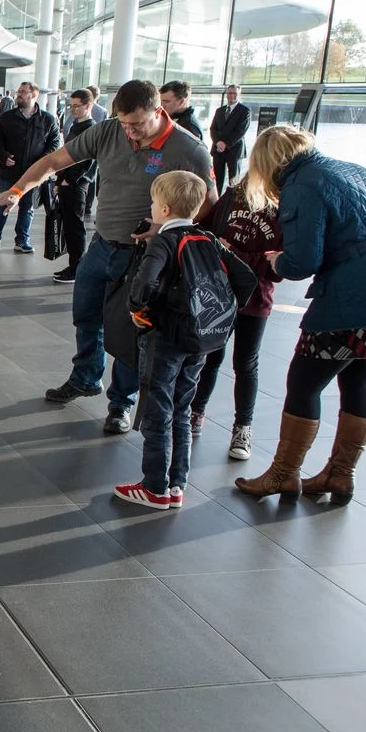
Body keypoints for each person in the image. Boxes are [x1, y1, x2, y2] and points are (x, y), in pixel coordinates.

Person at [0, 80, 217, 436]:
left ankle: (120, 403)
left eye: (137, 124)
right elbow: (54, 161)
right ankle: (85, 378)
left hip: (146, 256)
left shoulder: (189, 149)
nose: (130, 131)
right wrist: (19, 190)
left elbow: (208, 206)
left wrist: (164, 226)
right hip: (102, 244)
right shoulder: (109, 132)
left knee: (128, 332)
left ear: (159, 111)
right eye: (124, 122)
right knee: (86, 315)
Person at [234, 126, 366, 504]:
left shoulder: (301, 185)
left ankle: (284, 475)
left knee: (304, 382)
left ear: (266, 163)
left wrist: (276, 259)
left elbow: (302, 262)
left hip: (349, 301)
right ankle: (340, 475)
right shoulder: (356, 169)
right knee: (362, 384)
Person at [114, 171, 256, 509]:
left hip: (168, 336)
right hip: (201, 340)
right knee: (182, 408)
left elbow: (142, 285)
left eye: (152, 202)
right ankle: (177, 484)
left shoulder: (163, 241)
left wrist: (139, 309)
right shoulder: (207, 238)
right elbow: (246, 279)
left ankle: (154, 487)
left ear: (163, 208)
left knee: (158, 407)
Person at [187, 175, 282, 460]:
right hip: (218, 293)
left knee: (246, 362)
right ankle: (195, 412)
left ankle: (243, 427)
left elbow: (275, 268)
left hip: (255, 299)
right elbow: (205, 233)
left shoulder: (284, 208)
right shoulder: (232, 196)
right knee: (211, 356)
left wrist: (233, 252)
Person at [0, 81, 61, 254]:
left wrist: (41, 163)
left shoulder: (47, 119)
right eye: (19, 91)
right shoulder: (8, 117)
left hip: (33, 174)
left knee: (27, 207)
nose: (19, 94)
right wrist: (3, 156)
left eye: (23, 92)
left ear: (34, 95)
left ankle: (22, 240)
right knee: (1, 204)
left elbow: (54, 143)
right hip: (9, 171)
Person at [52, 89, 99, 283]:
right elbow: (66, 154)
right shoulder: (75, 126)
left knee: (75, 226)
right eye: (71, 106)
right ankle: (74, 264)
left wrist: (68, 179)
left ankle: (77, 267)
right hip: (66, 181)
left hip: (76, 184)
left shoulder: (92, 128)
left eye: (77, 106)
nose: (73, 110)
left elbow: (87, 160)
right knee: (70, 225)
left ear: (88, 105)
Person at [209, 84, 251, 193]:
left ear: (239, 95)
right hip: (218, 150)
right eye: (229, 93)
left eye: (234, 93)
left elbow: (240, 131)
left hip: (234, 150)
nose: (231, 96)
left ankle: (231, 202)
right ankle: (217, 202)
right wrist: (218, 142)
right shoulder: (220, 111)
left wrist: (225, 144)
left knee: (234, 179)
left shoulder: (245, 111)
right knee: (217, 178)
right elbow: (213, 128)